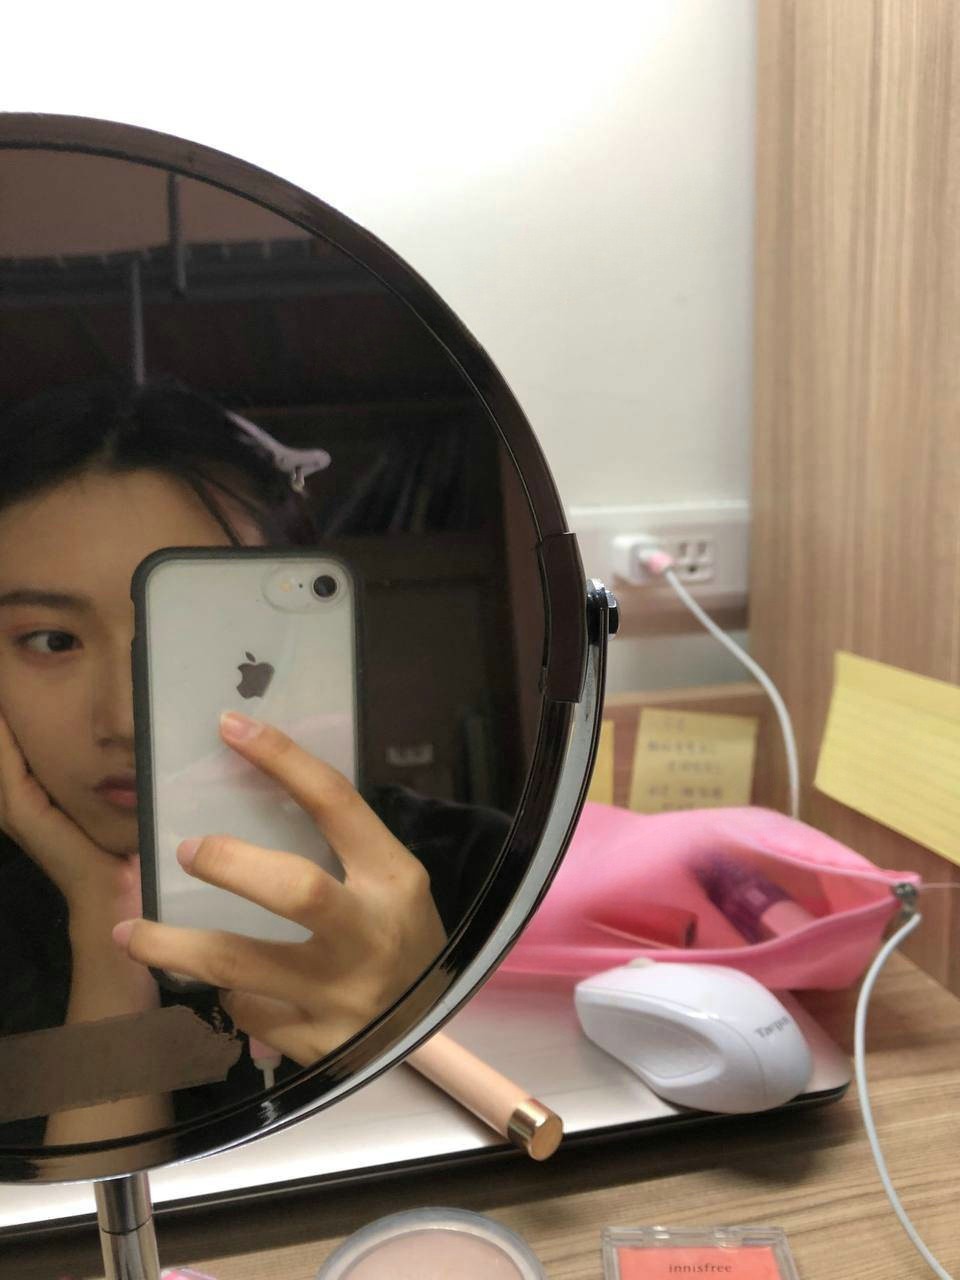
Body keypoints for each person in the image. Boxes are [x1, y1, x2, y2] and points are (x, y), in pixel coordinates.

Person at [0, 379, 507, 1146]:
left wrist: (419, 1015)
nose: (124, 722)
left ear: (292, 641)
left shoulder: (482, 869)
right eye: (51, 640)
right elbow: (78, 1211)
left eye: (194, 632)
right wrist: (109, 938)